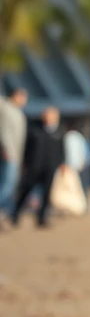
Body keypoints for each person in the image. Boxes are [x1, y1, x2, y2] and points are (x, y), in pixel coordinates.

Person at [11, 106, 64, 228]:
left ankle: (42, 218)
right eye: (46, 115)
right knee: (26, 190)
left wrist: (61, 164)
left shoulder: (59, 132)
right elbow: (26, 148)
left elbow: (61, 150)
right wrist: (25, 163)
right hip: (34, 166)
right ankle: (15, 214)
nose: (48, 118)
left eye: (51, 116)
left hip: (50, 167)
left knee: (46, 193)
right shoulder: (35, 130)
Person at [0, 87, 28, 223]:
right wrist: (6, 150)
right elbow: (3, 131)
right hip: (9, 155)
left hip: (16, 155)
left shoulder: (18, 112)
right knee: (6, 186)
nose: (25, 100)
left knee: (10, 186)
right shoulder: (5, 109)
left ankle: (4, 215)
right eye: (23, 97)